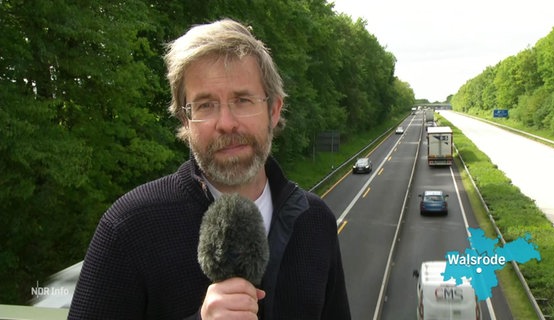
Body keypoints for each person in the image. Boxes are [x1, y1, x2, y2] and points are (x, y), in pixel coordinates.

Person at [68, 18, 351, 320]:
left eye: (242, 100)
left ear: (274, 110)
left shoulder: (316, 222)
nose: (226, 123)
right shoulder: (128, 228)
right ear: (185, 121)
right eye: (205, 105)